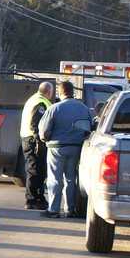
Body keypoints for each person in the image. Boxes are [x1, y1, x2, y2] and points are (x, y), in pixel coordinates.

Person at [37, 81, 94, 218]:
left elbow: (44, 131)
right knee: (71, 178)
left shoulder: (54, 108)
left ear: (60, 92)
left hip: (56, 148)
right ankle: (70, 209)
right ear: (72, 92)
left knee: (55, 179)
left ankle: (54, 209)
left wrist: (46, 140)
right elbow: (90, 128)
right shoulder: (84, 108)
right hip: (76, 148)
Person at [19, 82, 54, 210]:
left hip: (28, 139)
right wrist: (39, 139)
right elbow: (35, 123)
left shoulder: (33, 99)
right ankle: (31, 199)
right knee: (35, 170)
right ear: (48, 92)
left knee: (36, 169)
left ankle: (37, 197)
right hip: (33, 141)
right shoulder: (41, 102)